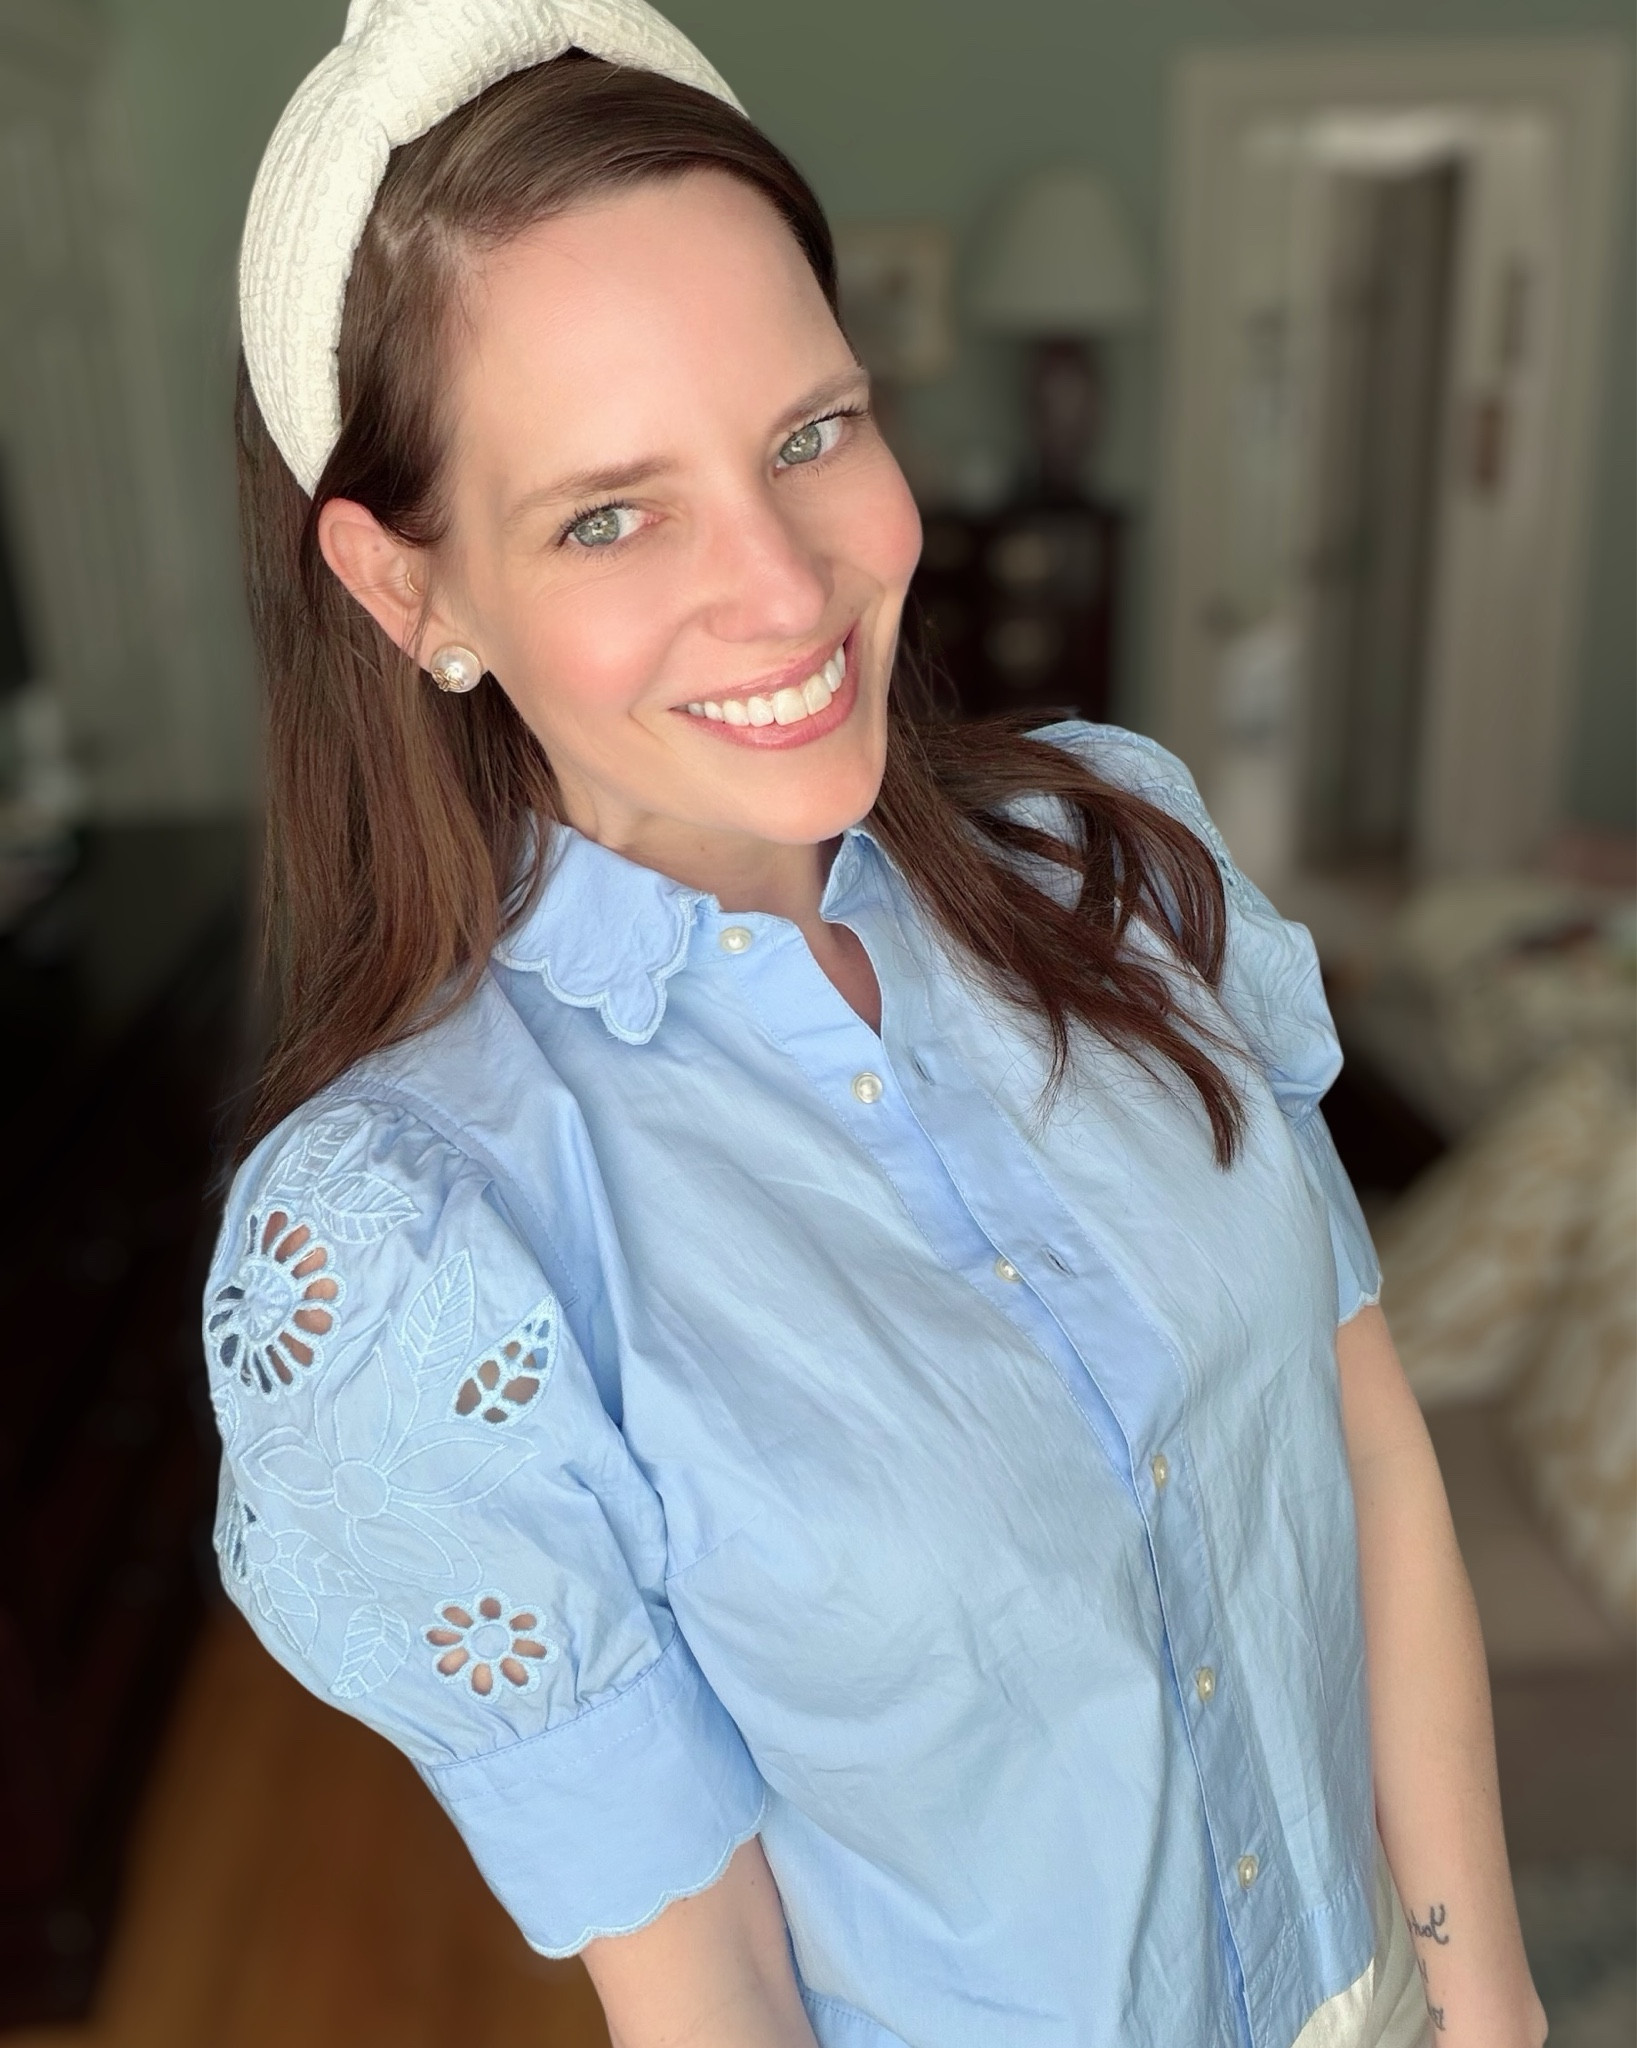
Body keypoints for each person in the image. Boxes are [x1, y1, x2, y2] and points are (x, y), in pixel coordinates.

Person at [206, 3, 1547, 2043]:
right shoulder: (420, 1254)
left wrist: (1493, 2001)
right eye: (609, 511)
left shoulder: (1123, 865)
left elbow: (1359, 1454)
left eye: (812, 432)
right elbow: (710, 1989)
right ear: (411, 593)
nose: (787, 587)